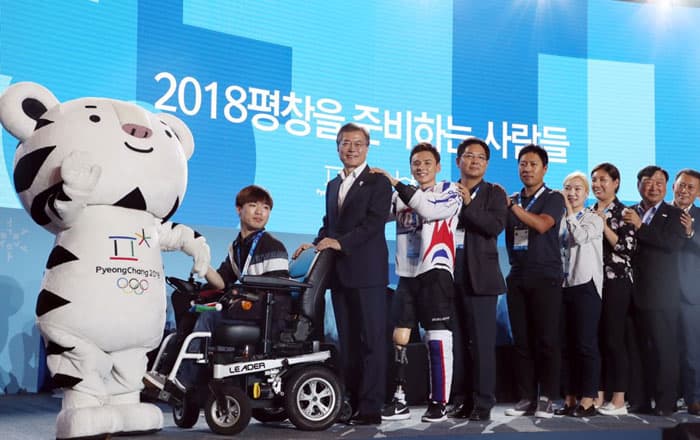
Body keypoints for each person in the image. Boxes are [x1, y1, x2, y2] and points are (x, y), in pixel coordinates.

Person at [294, 123, 392, 426]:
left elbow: (374, 223)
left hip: (368, 273)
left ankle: (372, 407)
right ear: (337, 147)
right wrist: (315, 242)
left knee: (372, 342)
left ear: (367, 147)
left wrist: (340, 242)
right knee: (348, 343)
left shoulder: (378, 182)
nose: (351, 149)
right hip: (340, 274)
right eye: (345, 143)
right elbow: (330, 224)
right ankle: (348, 402)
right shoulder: (334, 184)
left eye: (358, 144)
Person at [145, 185, 289, 388]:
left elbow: (279, 290)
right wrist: (202, 263)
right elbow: (222, 281)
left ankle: (185, 381)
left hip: (266, 309)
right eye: (253, 205)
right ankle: (168, 371)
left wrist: (242, 297)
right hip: (244, 305)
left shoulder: (273, 246)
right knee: (191, 305)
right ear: (239, 209)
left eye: (265, 208)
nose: (259, 212)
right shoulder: (237, 246)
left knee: (210, 315)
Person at [372, 142, 462, 423]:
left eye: (426, 163)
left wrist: (395, 182)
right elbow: (376, 216)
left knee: (436, 339)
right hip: (407, 275)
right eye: (415, 163)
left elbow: (429, 210)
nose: (420, 167)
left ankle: (439, 402)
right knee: (399, 337)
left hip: (436, 270)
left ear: (437, 167)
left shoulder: (450, 191)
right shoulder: (401, 196)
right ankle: (399, 398)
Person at [446, 138, 507, 422]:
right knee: (456, 343)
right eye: (468, 156)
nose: (474, 161)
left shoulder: (494, 193)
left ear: (486, 164)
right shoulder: (445, 191)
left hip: (480, 278)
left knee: (482, 344)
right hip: (448, 275)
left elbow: (493, 227)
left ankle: (483, 402)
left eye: (480, 157)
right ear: (458, 161)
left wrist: (469, 204)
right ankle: (459, 399)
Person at [503, 144, 565, 419]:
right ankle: (526, 396)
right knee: (522, 341)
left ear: (545, 168)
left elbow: (542, 225)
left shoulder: (553, 197)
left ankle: (548, 397)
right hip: (517, 276)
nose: (526, 169)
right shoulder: (515, 199)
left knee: (546, 340)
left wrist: (514, 209)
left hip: (546, 277)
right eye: (522, 164)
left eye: (532, 164)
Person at [622, 165, 687, 416]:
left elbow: (671, 244)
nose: (653, 186)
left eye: (659, 182)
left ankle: (665, 402)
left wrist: (640, 227)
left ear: (666, 187)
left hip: (661, 293)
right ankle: (638, 400)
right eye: (648, 181)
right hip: (630, 292)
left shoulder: (674, 214)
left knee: (664, 348)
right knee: (635, 349)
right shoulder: (629, 211)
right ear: (638, 185)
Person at [555, 172, 603, 417]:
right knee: (565, 345)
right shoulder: (560, 219)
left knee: (585, 344)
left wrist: (570, 214)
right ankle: (569, 398)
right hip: (563, 286)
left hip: (586, 286)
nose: (571, 193)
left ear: (586, 194)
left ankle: (588, 399)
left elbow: (580, 237)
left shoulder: (594, 218)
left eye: (577, 189)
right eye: (567, 188)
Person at [589, 163, 636, 416]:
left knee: (614, 339)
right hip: (591, 282)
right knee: (594, 339)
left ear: (616, 182)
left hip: (616, 282)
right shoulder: (588, 210)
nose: (597, 184)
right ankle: (597, 394)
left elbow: (626, 248)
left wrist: (604, 225)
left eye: (603, 179)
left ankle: (618, 399)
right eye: (594, 180)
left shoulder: (624, 212)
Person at [671, 169, 700, 416]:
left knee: (692, 351)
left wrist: (691, 232)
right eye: (681, 186)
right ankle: (665, 397)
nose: (684, 191)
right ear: (673, 187)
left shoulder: (699, 217)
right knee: (662, 349)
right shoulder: (657, 212)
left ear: (698, 193)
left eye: (691, 188)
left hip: (691, 294)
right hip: (659, 293)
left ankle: (694, 398)